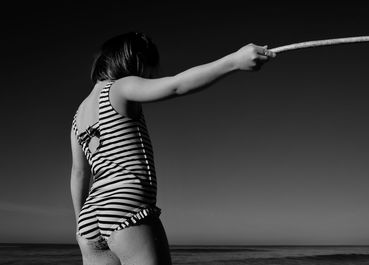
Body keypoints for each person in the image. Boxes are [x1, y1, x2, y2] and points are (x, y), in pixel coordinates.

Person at [70, 31, 276, 265]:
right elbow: (177, 85)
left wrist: (81, 225)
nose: (149, 76)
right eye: (149, 71)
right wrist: (233, 61)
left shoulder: (78, 117)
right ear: (135, 62)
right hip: (125, 204)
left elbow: (79, 174)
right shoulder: (120, 87)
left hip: (89, 220)